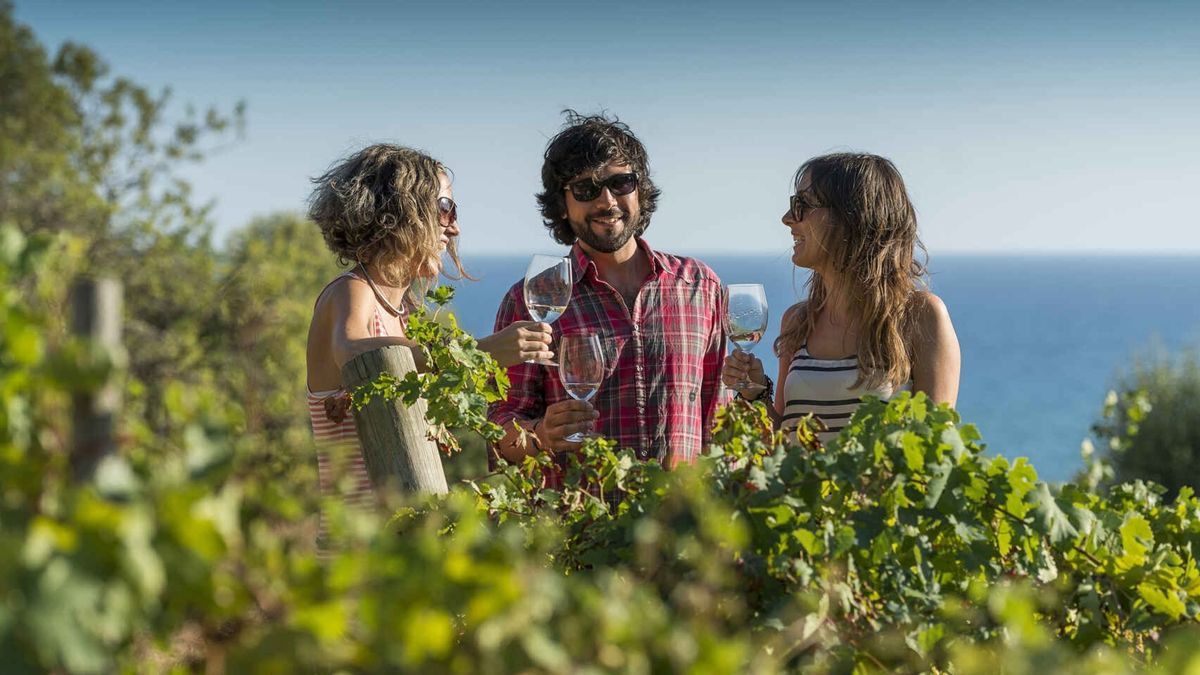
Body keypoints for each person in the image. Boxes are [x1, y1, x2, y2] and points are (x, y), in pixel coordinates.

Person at [305, 144, 552, 530]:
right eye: (443, 208)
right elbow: (353, 355)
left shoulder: (406, 315)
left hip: (402, 543)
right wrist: (480, 352)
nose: (453, 226)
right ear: (399, 212)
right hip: (354, 549)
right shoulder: (351, 292)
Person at [488, 111, 726, 483]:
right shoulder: (533, 299)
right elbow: (497, 434)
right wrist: (540, 435)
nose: (607, 201)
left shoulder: (700, 287)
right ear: (561, 205)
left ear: (640, 189)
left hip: (683, 528)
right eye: (586, 189)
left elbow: (719, 420)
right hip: (579, 532)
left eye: (621, 183)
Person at [721, 152, 960, 443]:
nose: (787, 219)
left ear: (851, 216)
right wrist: (755, 393)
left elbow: (935, 449)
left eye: (802, 205)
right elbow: (782, 445)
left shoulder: (920, 316)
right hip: (798, 491)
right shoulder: (798, 322)